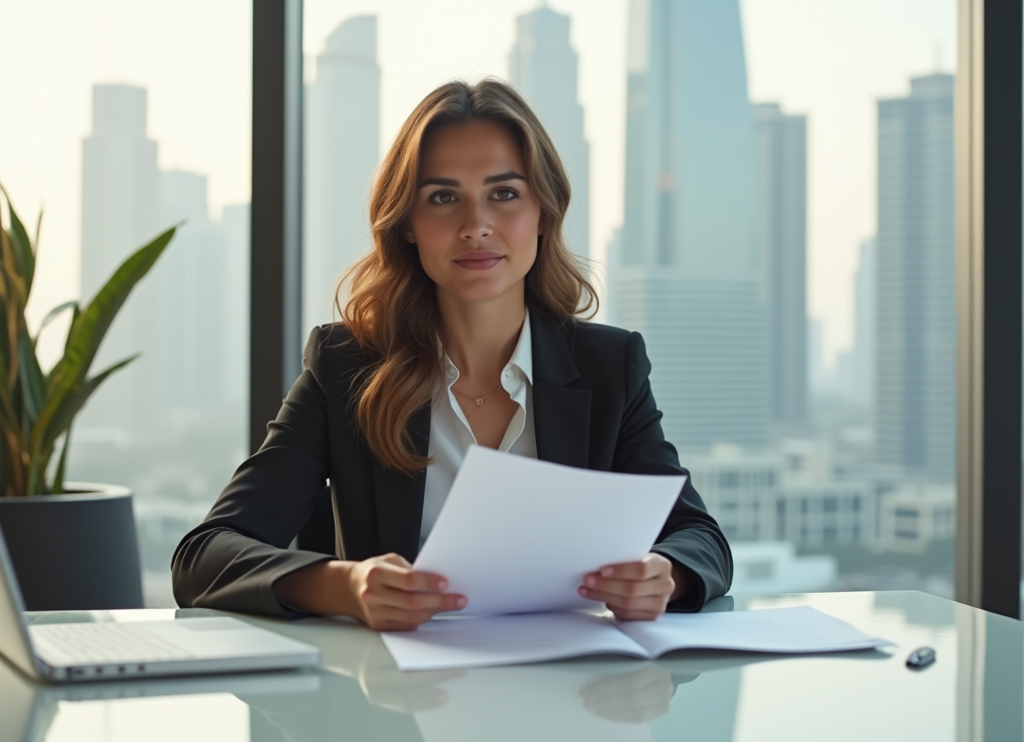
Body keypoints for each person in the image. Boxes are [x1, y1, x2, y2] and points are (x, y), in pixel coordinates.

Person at [172, 78, 732, 631]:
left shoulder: (612, 367)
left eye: (504, 194)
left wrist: (665, 573)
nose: (476, 226)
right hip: (396, 704)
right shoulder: (345, 366)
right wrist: (346, 585)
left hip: (574, 702)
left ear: (544, 211)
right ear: (408, 225)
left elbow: (700, 539)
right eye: (443, 198)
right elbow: (204, 557)